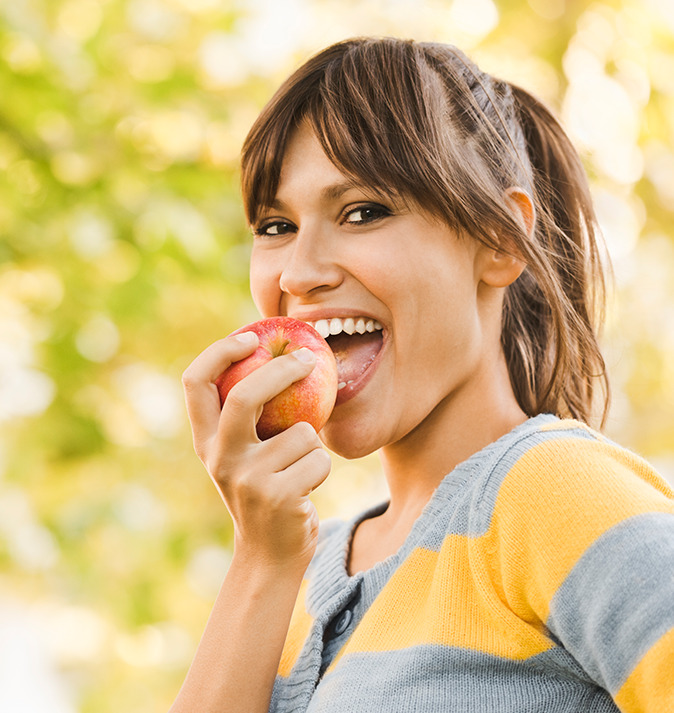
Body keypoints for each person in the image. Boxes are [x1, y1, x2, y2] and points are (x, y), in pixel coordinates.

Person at [171, 37, 674, 713]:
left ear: (499, 241)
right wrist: (260, 560)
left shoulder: (551, 492)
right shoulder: (302, 571)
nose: (298, 272)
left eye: (363, 212)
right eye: (277, 224)